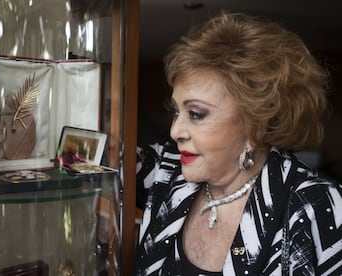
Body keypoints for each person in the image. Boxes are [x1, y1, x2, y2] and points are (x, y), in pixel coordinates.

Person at [134, 11, 342, 275]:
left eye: (196, 114)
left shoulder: (318, 205)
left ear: (255, 125)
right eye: (176, 112)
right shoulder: (166, 172)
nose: (175, 131)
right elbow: (91, 155)